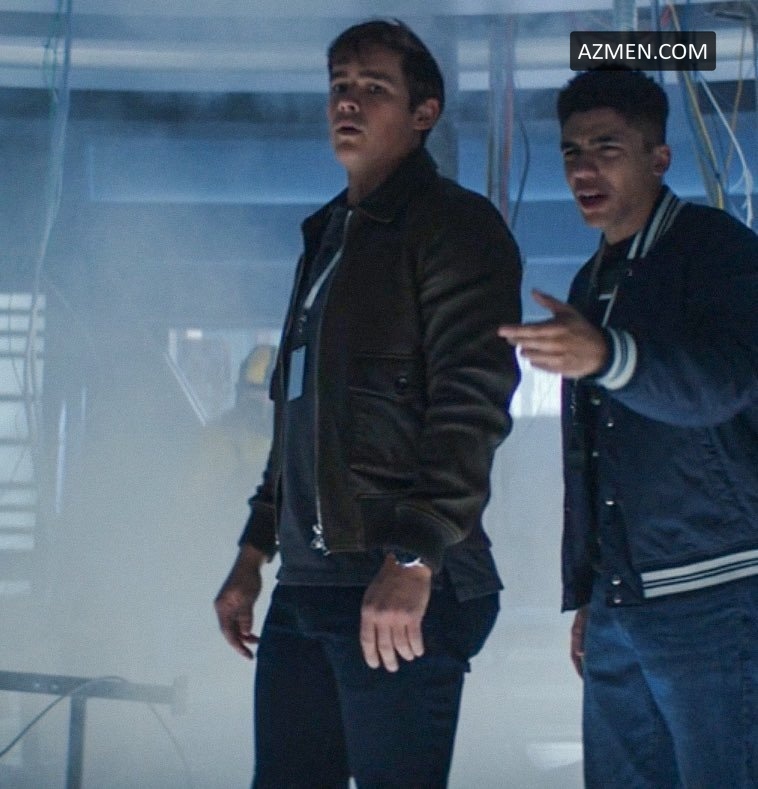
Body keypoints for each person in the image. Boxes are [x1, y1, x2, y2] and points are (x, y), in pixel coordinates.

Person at [214, 19, 522, 789]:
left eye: (374, 87)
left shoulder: (453, 225)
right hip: (308, 585)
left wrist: (414, 555)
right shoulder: (329, 236)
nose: (347, 102)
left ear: (424, 112)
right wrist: (253, 553)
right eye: (340, 86)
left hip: (401, 575)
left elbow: (472, 402)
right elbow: (299, 419)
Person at [499, 67, 758, 787]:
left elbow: (725, 383)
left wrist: (610, 356)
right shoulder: (592, 282)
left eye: (606, 148)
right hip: (624, 600)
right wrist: (592, 591)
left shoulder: (716, 249)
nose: (583, 169)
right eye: (571, 152)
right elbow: (593, 454)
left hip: (718, 586)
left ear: (659, 158)